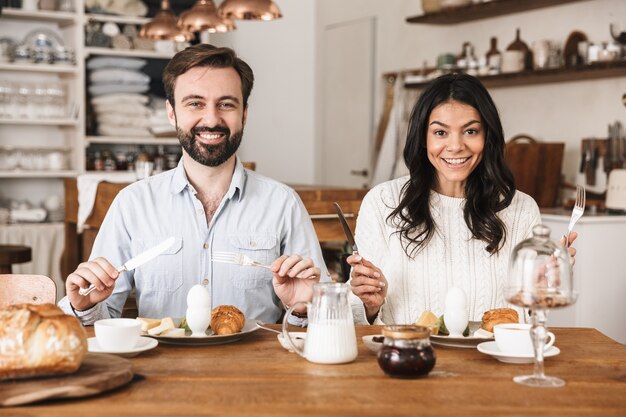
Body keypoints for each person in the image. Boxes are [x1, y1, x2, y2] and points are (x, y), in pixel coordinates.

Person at [58, 44, 328, 325]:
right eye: (195, 103)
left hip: (255, 368)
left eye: (226, 104)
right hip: (160, 367)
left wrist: (302, 310)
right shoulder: (133, 204)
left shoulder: (283, 203)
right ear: (172, 112)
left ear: (244, 113)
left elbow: (324, 318)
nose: (211, 119)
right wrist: (85, 307)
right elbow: (105, 316)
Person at [347, 73, 577, 325]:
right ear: (423, 138)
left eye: (470, 130)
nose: (455, 146)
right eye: (440, 132)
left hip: (495, 361)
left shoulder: (521, 209)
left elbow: (527, 323)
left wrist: (538, 294)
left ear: (487, 136)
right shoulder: (382, 202)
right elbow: (357, 316)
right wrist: (369, 304)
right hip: (409, 359)